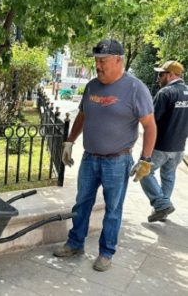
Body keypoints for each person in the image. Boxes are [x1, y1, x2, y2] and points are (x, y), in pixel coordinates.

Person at [53, 39, 156, 272]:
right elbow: (82, 115)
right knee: (82, 203)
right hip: (90, 158)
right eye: (96, 61)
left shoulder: (135, 88)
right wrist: (70, 141)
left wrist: (145, 159)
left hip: (118, 160)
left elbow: (150, 126)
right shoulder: (91, 86)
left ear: (118, 60)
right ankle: (75, 243)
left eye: (103, 61)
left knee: (113, 209)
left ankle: (106, 252)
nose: (98, 66)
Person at [139, 61, 188, 222]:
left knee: (144, 172)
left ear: (171, 75)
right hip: (179, 147)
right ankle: (162, 210)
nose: (158, 78)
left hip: (161, 146)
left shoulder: (165, 93)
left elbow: (151, 121)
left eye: (161, 74)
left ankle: (161, 205)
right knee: (168, 176)